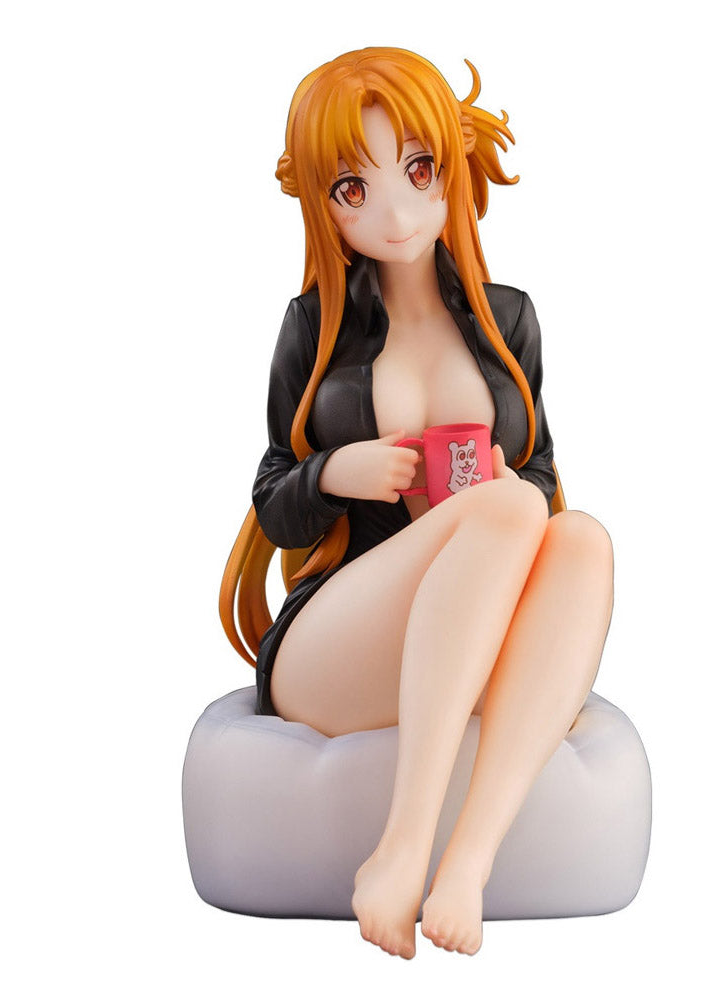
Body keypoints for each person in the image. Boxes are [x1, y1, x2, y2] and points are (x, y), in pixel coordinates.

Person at [219, 47, 614, 959]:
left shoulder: (507, 319)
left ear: (454, 167)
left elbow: (540, 473)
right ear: (323, 202)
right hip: (335, 640)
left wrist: (506, 487)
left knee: (581, 537)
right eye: (354, 189)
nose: (394, 213)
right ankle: (402, 846)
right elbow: (273, 500)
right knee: (510, 512)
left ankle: (466, 862)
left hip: (462, 622)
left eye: (419, 170)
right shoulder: (313, 327)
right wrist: (336, 473)